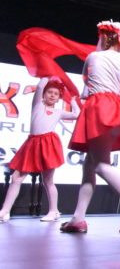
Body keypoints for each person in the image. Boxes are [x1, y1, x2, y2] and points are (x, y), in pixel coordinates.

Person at [60, 21, 120, 234]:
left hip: (99, 107)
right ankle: (78, 218)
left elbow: (87, 87)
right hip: (118, 109)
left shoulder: (94, 57)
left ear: (105, 38)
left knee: (101, 165)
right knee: (90, 165)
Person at [0, 78, 79, 223]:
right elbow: (40, 87)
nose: (52, 95)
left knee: (48, 180)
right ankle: (5, 210)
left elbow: (77, 115)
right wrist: (46, 74)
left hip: (48, 144)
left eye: (56, 93)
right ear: (43, 94)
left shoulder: (58, 112)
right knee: (16, 177)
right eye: (49, 92)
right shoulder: (37, 105)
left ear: (59, 98)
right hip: (32, 144)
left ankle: (54, 211)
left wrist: (72, 101)